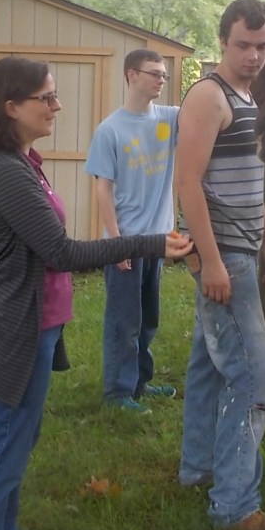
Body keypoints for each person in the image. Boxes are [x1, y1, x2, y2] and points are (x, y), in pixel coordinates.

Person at [0, 56, 192, 530]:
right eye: (46, 98)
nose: (57, 106)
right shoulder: (8, 173)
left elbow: (0, 244)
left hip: (36, 325)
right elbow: (60, 252)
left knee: (18, 444)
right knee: (3, 455)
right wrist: (149, 243)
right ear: (11, 107)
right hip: (19, 330)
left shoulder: (24, 163)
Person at [174, 0, 265, 530]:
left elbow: (249, 181)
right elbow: (188, 182)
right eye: (243, 45)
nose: (253, 55)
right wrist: (212, 261)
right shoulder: (209, 95)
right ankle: (235, 507)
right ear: (223, 41)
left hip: (244, 248)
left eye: (262, 46)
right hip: (223, 254)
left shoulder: (249, 97)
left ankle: (198, 468)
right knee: (252, 375)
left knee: (208, 364)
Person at [84, 49, 181, 413]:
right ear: (131, 75)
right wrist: (117, 241)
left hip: (158, 241)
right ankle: (117, 392)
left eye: (163, 74)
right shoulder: (110, 129)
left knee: (148, 318)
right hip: (125, 241)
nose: (161, 80)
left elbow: (207, 113)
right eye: (154, 73)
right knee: (123, 322)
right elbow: (103, 189)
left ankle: (140, 383)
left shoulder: (169, 119)